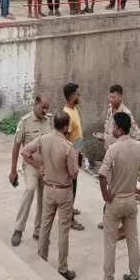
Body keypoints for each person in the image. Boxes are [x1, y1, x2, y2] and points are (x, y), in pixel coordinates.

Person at [99, 112, 140, 280]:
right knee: (133, 239)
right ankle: (134, 275)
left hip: (115, 201)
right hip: (131, 200)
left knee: (110, 243)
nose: (112, 129)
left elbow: (102, 175)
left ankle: (108, 279)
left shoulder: (113, 149)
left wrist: (106, 196)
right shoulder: (139, 146)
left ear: (119, 129)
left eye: (114, 127)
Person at [21, 112, 79, 280]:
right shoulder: (68, 147)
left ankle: (41, 259)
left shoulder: (43, 139)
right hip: (63, 190)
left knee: (45, 226)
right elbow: (74, 174)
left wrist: (39, 165)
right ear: (66, 127)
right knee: (63, 230)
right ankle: (62, 267)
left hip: (48, 188)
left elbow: (25, 152)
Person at [9, 95, 53, 247]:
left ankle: (38, 231)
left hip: (46, 166)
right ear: (36, 103)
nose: (45, 111)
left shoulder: (49, 121)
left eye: (47, 108)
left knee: (44, 198)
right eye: (43, 107)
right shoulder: (25, 122)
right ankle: (18, 229)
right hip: (30, 165)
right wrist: (13, 170)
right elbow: (16, 146)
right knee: (30, 189)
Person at [62, 83, 85, 231]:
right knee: (71, 187)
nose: (79, 95)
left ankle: (70, 209)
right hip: (71, 157)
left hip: (77, 154)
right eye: (77, 93)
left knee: (73, 185)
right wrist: (71, 158)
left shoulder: (74, 109)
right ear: (71, 96)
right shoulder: (67, 115)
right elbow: (64, 139)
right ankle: (69, 218)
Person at [96, 84, 140, 151]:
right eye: (110, 96)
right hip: (109, 151)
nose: (110, 100)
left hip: (120, 153)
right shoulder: (110, 109)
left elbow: (138, 137)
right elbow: (109, 130)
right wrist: (104, 137)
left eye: (113, 97)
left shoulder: (126, 114)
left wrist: (132, 153)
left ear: (120, 97)